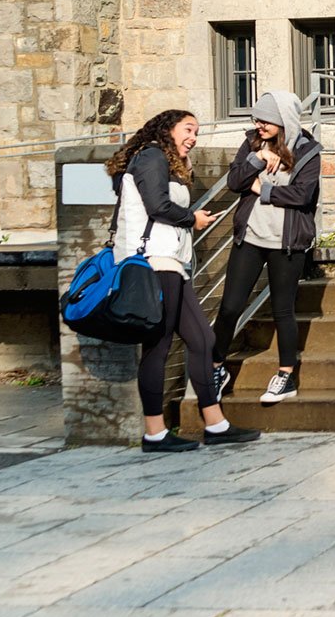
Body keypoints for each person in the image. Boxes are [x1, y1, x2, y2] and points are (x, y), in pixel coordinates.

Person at [106, 109, 259, 453]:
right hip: (154, 264)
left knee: (202, 339)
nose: (193, 136)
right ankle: (155, 433)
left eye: (197, 132)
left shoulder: (163, 160)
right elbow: (158, 206)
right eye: (188, 129)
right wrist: (192, 219)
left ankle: (216, 424)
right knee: (158, 347)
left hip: (172, 263)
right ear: (167, 129)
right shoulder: (151, 156)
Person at [210, 91, 321, 406]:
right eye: (255, 119)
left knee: (283, 311)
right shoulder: (252, 143)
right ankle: (216, 369)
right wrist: (257, 159)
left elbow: (302, 196)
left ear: (283, 119)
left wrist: (264, 189)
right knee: (230, 306)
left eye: (264, 120)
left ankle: (286, 375)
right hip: (251, 237)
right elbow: (234, 181)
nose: (258, 124)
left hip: (286, 243)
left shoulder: (309, 151)